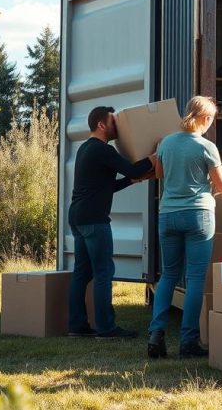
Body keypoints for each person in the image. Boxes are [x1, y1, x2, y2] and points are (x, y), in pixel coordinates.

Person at [147, 96, 222, 359]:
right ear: (205, 118)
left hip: (168, 215)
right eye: (211, 119)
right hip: (198, 216)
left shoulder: (165, 143)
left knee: (168, 275)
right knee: (194, 279)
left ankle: (156, 334)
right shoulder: (207, 147)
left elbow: (158, 174)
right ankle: (188, 342)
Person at [68, 106, 156, 339]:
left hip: (78, 217)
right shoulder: (101, 149)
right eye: (113, 121)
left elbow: (107, 186)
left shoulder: (85, 149)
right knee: (104, 272)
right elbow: (132, 167)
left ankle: (76, 326)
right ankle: (106, 328)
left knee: (82, 272)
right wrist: (157, 155)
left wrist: (132, 181)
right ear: (101, 125)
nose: (117, 126)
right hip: (94, 220)